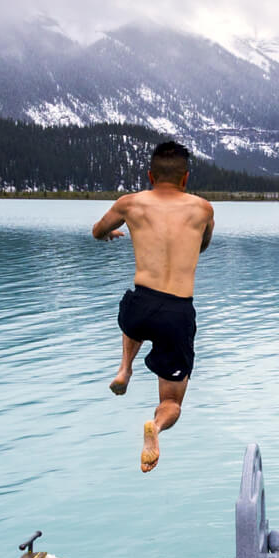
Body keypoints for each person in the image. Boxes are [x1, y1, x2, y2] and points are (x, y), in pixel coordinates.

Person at [91, 141, 215, 472]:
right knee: (171, 400)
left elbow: (97, 231)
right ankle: (155, 427)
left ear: (150, 175)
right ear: (186, 178)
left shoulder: (130, 204)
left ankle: (124, 368)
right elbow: (202, 245)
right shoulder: (203, 209)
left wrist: (114, 233)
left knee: (132, 315)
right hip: (177, 312)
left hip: (141, 305)